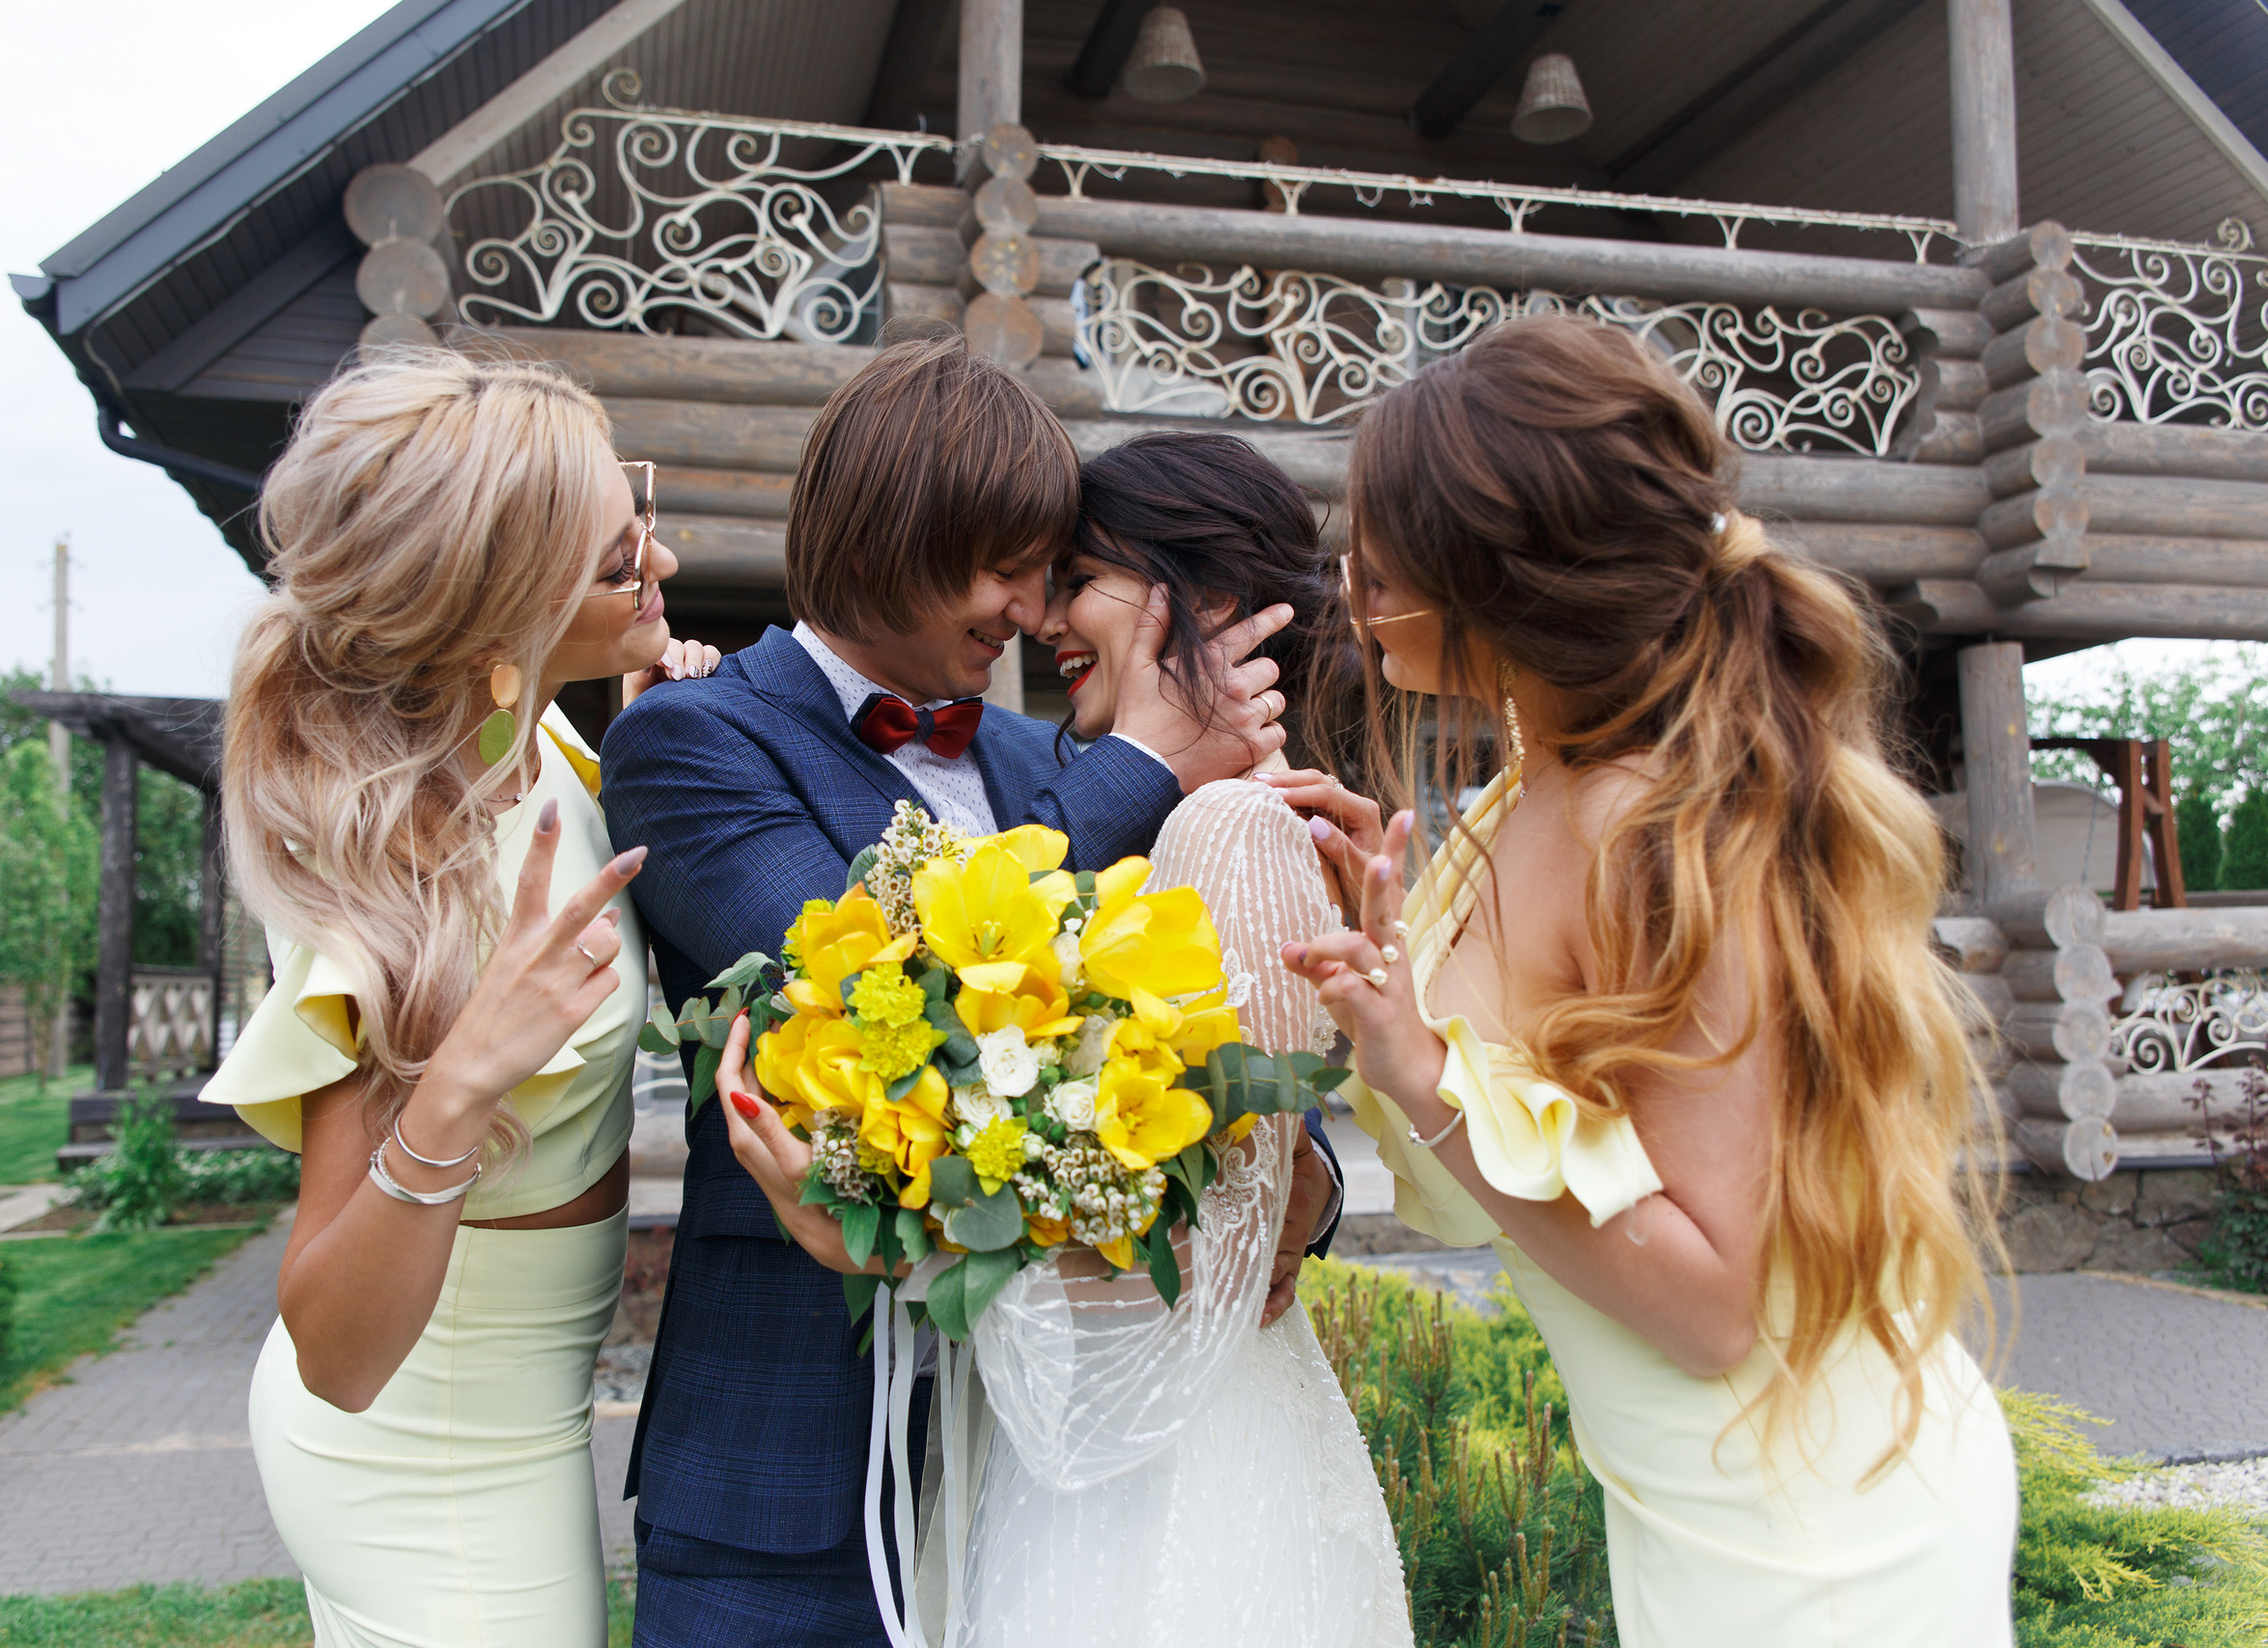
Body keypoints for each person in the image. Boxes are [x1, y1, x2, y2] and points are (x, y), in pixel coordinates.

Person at [1285, 315, 2018, 1646]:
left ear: (1494, 576)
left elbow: (1711, 1305)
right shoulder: (1529, 790)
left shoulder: (1655, 835)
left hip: (1813, 1541)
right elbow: (1500, 1178)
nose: (1349, 575)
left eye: (1375, 543)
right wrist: (1390, 960)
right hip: (1699, 1503)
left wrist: (1423, 1074)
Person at [602, 336, 1342, 1647]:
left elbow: (1174, 1023)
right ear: (896, 530)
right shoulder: (692, 737)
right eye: (1004, 563)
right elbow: (862, 985)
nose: (1028, 608)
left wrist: (1298, 1179)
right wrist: (1156, 763)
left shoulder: (1034, 757)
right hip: (790, 1480)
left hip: (1041, 1473)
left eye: (1052, 570)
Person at [202, 349, 717, 1646]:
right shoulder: (397, 880)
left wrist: (670, 738)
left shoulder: (535, 744)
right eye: (614, 560)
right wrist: (463, 1079)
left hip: (525, 1413)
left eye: (639, 516)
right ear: (497, 624)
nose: (659, 561)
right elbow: (337, 1346)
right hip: (422, 1443)